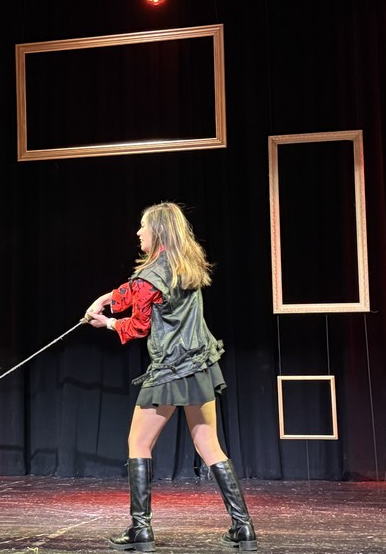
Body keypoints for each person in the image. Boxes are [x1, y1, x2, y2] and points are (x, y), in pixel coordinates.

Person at [85, 202, 257, 552]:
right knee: (209, 444)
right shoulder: (186, 266)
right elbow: (133, 292)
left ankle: (141, 528)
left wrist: (108, 322)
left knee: (138, 443)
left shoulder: (150, 276)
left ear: (158, 231)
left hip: (169, 370)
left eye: (143, 226)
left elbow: (138, 324)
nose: (138, 232)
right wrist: (106, 298)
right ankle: (243, 527)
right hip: (200, 366)